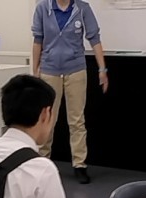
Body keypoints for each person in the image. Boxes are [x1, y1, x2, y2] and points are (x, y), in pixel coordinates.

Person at [32, 0, 109, 185]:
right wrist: (35, 71)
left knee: (77, 120)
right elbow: (37, 41)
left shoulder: (82, 8)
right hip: (49, 70)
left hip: (76, 70)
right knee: (47, 118)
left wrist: (102, 69)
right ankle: (43, 161)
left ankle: (79, 164)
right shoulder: (43, 8)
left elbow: (94, 39)